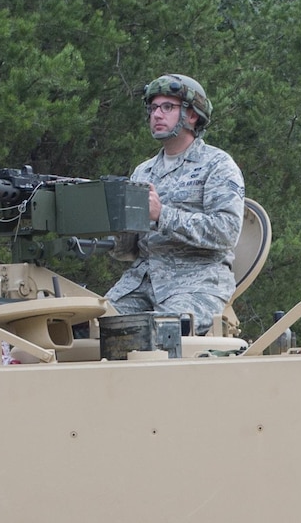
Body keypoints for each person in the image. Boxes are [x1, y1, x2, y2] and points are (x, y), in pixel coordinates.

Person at [105, 74, 245, 335]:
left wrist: (162, 215)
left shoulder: (217, 165)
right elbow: (127, 251)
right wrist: (111, 225)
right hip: (140, 284)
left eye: (167, 107)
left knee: (162, 332)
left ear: (192, 115)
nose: (157, 115)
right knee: (90, 329)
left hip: (196, 284)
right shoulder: (143, 172)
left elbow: (227, 232)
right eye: (153, 108)